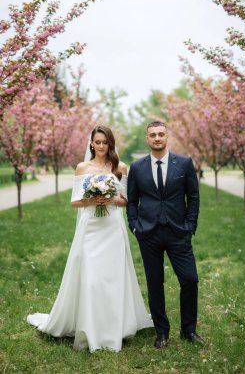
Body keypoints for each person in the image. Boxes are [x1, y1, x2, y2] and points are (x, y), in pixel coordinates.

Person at [27, 125, 153, 352]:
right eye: (98, 142)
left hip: (112, 226)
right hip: (91, 226)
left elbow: (125, 200)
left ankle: (114, 327)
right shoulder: (82, 168)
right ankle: (89, 328)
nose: (102, 146)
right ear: (91, 143)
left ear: (110, 143)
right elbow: (75, 202)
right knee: (91, 278)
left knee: (112, 278)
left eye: (105, 142)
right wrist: (93, 199)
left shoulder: (120, 167)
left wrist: (111, 198)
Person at [127, 121, 204, 348]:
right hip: (148, 233)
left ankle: (189, 331)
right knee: (155, 283)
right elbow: (132, 200)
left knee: (190, 279)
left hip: (178, 232)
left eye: (161, 134)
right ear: (147, 138)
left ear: (167, 136)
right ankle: (162, 332)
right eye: (153, 135)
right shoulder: (137, 167)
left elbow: (194, 197)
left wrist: (190, 225)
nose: (157, 138)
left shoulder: (184, 164)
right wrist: (134, 225)